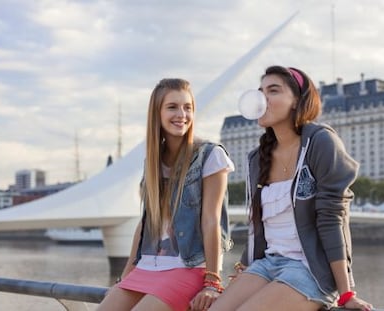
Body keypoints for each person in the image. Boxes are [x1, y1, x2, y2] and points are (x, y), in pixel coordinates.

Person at [209, 66, 373, 311]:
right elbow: (258, 226)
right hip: (267, 264)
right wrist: (244, 268)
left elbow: (331, 220)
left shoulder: (320, 142)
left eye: (272, 91)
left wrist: (347, 293)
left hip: (310, 269)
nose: (262, 99)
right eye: (260, 91)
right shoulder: (257, 158)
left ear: (296, 100)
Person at [97, 78, 234, 311]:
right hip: (147, 267)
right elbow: (147, 224)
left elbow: (211, 220)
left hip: (188, 268)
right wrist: (126, 276)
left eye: (187, 107)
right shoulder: (153, 162)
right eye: (172, 107)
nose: (182, 114)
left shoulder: (210, 156)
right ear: (157, 113)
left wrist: (212, 281)